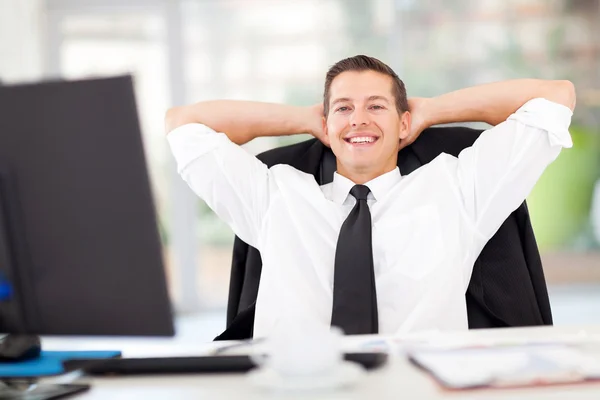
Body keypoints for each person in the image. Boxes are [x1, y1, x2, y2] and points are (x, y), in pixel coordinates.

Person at [165, 55, 576, 338]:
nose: (359, 118)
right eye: (343, 108)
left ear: (404, 124)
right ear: (326, 126)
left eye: (376, 106)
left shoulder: (457, 188)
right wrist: (304, 119)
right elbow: (182, 124)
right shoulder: (275, 195)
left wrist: (431, 110)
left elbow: (556, 97)